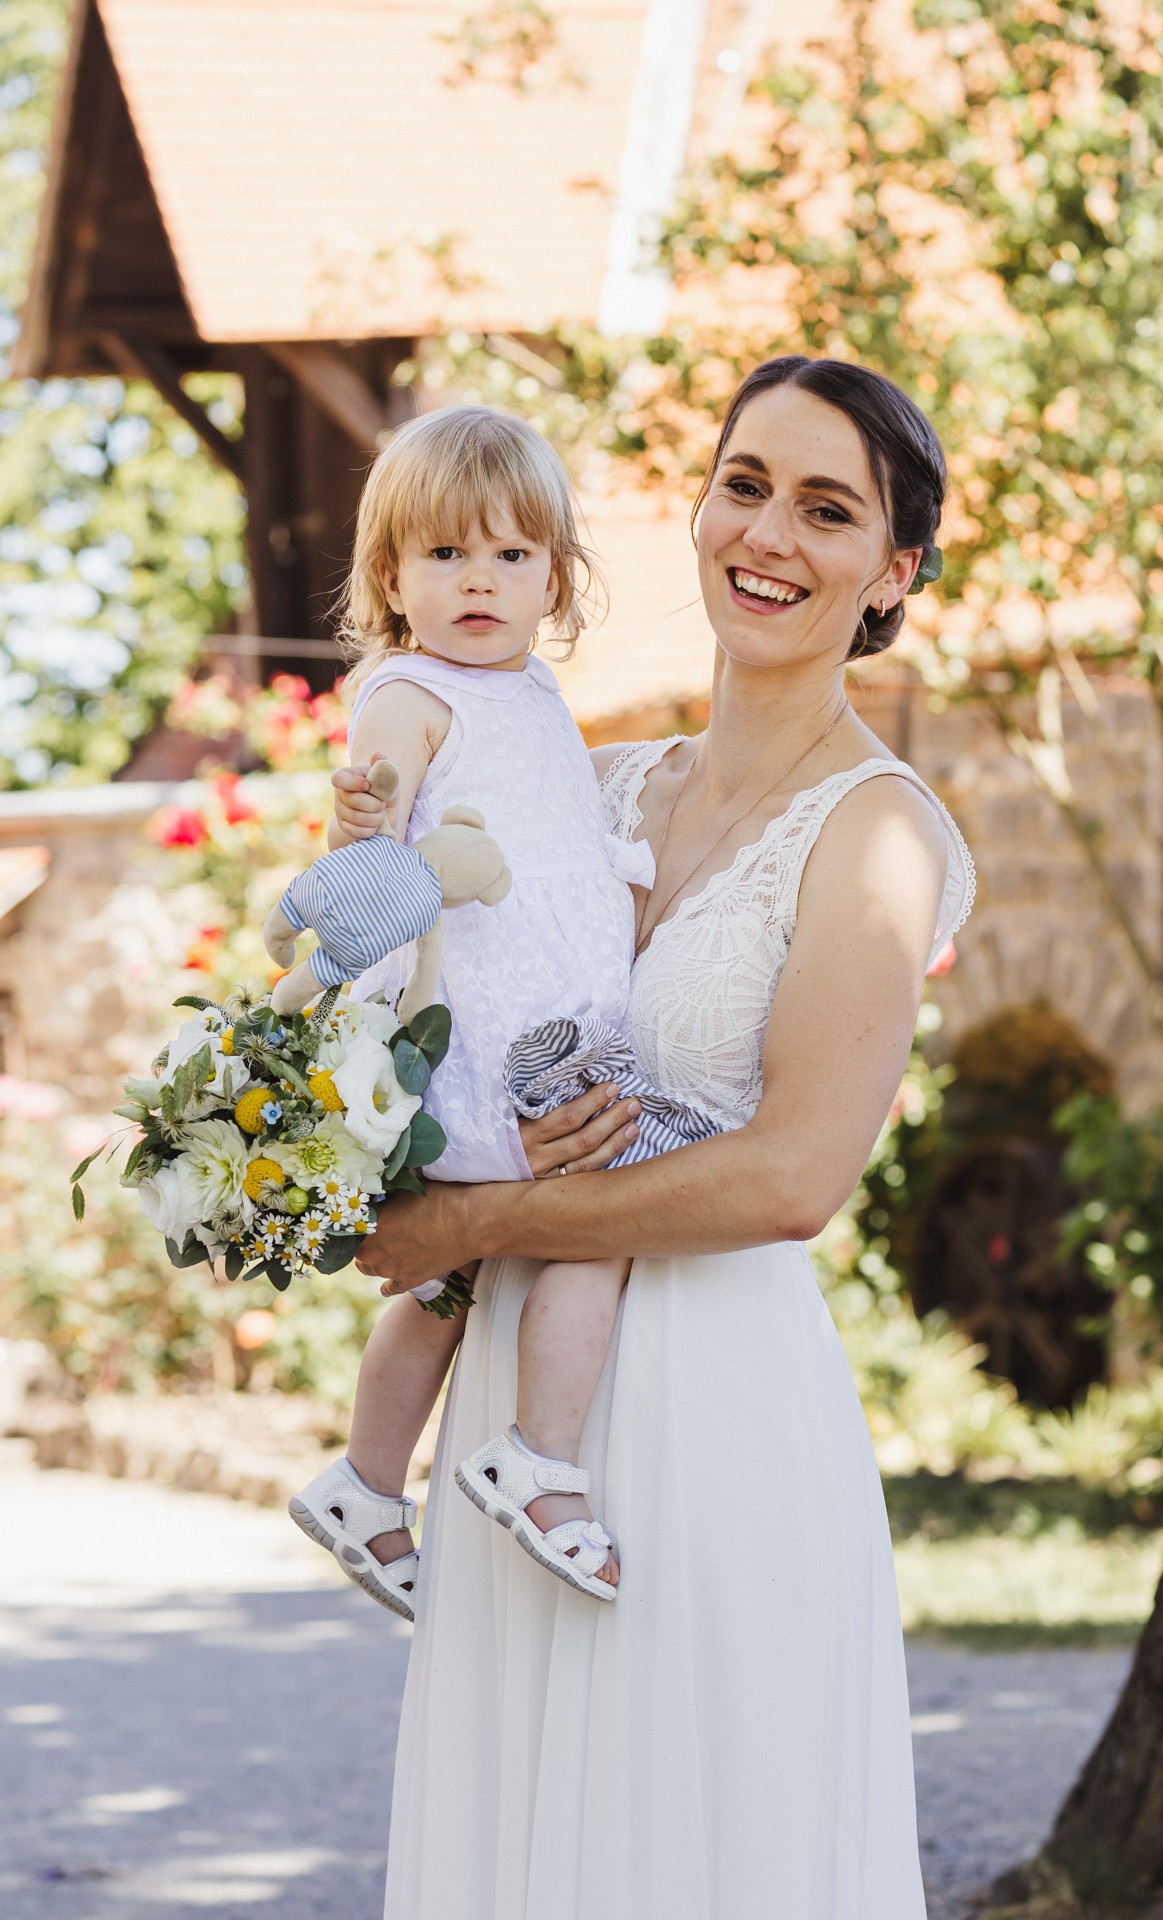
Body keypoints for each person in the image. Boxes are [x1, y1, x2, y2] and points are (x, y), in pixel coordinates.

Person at [358, 355, 975, 1919]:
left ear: (892, 571)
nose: (769, 533)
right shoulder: (593, 780)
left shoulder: (880, 831)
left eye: (828, 510)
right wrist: (344, 1145)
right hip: (511, 1416)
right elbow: (436, 1011)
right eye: (746, 484)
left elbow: (791, 1178)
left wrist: (477, 1226)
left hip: (714, 1428)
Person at [291, 404, 712, 1615]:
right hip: (482, 1038)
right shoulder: (410, 693)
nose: (479, 581)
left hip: (549, 1025)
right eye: (445, 556)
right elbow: (375, 835)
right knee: (598, 1217)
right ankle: (539, 1462)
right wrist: (365, 817)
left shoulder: (529, 694)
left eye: (511, 556)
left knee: (451, 1280)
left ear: (555, 580)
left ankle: (367, 1486)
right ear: (391, 577)